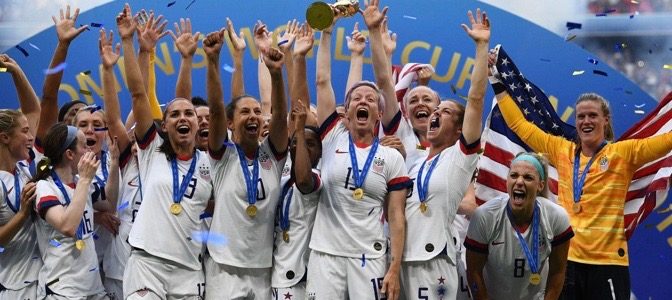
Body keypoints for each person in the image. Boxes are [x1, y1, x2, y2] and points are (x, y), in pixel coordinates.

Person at [489, 47, 672, 299]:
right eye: (581, 116)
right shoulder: (560, 149)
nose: (586, 121)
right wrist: (497, 84)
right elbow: (519, 125)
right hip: (567, 262)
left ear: (605, 120)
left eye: (593, 116)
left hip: (608, 263)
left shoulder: (624, 153)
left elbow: (667, 141)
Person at [306, 1, 412, 299]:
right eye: (356, 98)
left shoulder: (391, 157)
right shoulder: (332, 136)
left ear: (379, 115)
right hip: (326, 253)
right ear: (346, 111)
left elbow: (396, 214)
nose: (363, 100)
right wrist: (327, 32)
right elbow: (322, 81)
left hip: (370, 255)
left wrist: (394, 267)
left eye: (370, 99)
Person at [116, 4, 212, 299]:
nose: (182, 118)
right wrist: (130, 43)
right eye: (174, 116)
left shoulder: (213, 162)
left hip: (189, 269)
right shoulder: (152, 149)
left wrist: (188, 59)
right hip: (147, 264)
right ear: (164, 126)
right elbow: (138, 94)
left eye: (189, 114)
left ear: (199, 123)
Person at [399, 8, 489, 300]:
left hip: (436, 262)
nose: (436, 113)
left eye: (446, 111)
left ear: (459, 128)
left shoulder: (459, 158)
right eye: (436, 110)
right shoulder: (412, 161)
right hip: (401, 261)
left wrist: (481, 47)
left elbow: (475, 100)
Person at [203, 23, 289, 298]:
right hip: (223, 267)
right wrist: (213, 61)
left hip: (263, 267)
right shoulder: (221, 154)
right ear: (230, 122)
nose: (254, 116)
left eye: (256, 111)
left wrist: (276, 75)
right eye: (244, 112)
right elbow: (215, 110)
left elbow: (279, 115)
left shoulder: (272, 155)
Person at [465, 152, 574, 300]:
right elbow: (474, 272)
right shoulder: (485, 216)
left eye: (528, 177)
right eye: (514, 175)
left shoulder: (556, 217)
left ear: (540, 185)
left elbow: (558, 271)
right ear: (507, 181)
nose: (519, 182)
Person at [33, 123, 117, 300]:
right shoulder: (44, 187)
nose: (89, 150)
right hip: (62, 289)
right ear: (70, 154)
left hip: (93, 287)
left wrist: (115, 162)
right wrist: (85, 180)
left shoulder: (81, 182)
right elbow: (67, 227)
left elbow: (110, 204)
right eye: (84, 145)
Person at [0, 53, 42, 300]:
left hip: (42, 279)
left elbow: (32, 108)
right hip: (12, 285)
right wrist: (23, 214)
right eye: (24, 132)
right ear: (5, 137)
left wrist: (15, 71)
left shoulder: (27, 164)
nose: (31, 137)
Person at [271, 100, 322, 300]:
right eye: (295, 143)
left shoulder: (318, 179)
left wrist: (299, 132)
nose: (301, 146)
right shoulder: (281, 183)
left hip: (303, 278)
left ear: (320, 151)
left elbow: (303, 179)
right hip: (277, 274)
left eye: (311, 144)